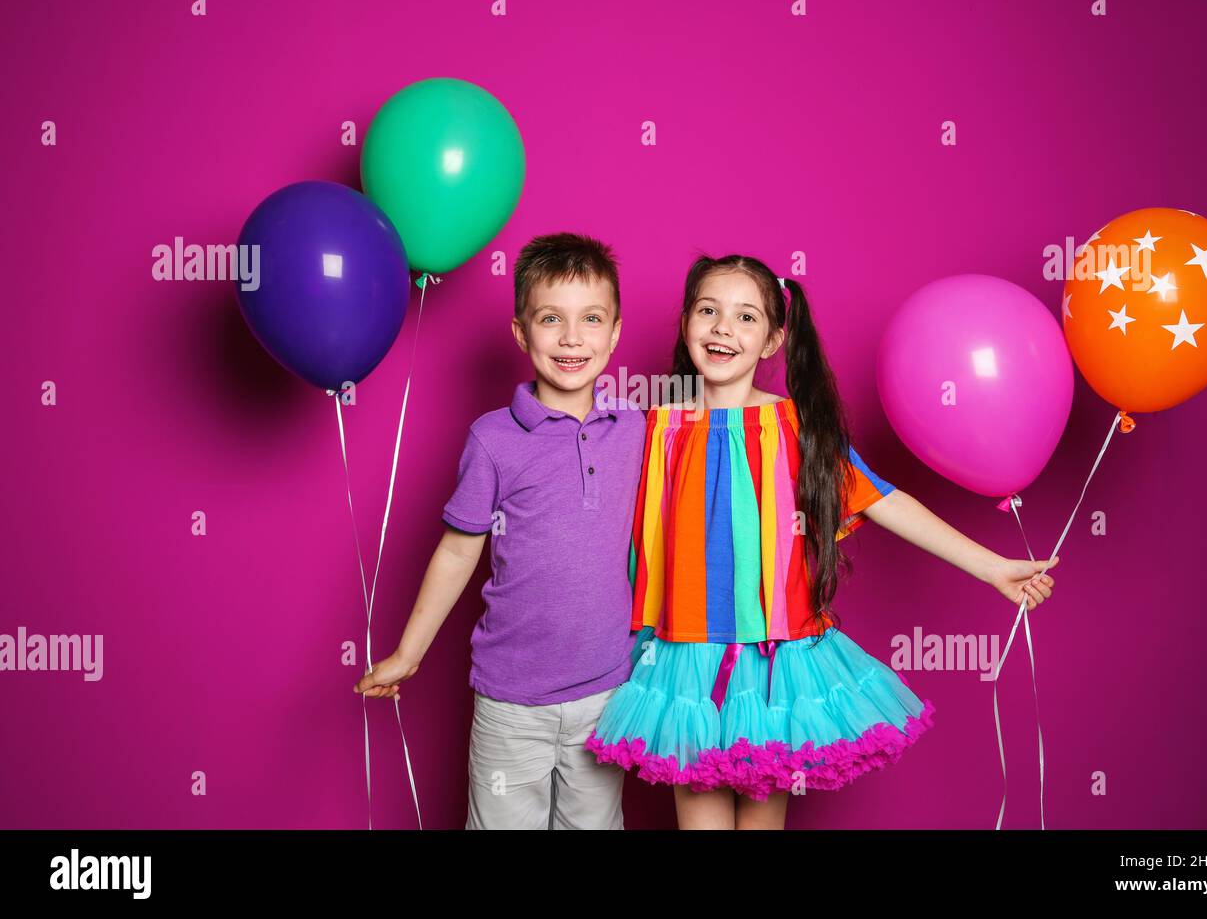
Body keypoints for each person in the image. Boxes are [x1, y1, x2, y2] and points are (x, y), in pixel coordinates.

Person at [585, 254, 1058, 829]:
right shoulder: (651, 426)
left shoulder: (799, 430)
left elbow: (883, 500)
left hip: (777, 659)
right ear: (686, 322)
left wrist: (993, 568)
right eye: (708, 311)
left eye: (746, 317)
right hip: (685, 656)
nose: (722, 328)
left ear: (773, 340)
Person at [355, 232, 651, 829]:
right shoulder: (493, 439)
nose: (572, 338)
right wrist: (408, 654)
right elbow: (457, 553)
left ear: (616, 333)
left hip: (606, 692)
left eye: (592, 319)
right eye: (551, 319)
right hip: (511, 699)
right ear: (521, 332)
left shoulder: (636, 429)